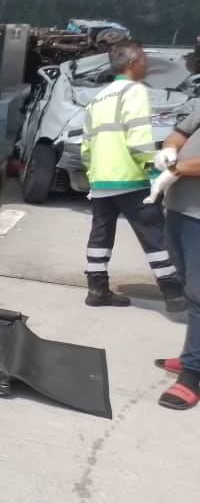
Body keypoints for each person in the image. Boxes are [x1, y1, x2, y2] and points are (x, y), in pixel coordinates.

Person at [80, 39, 185, 312]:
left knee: (100, 235)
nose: (147, 65)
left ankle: (97, 289)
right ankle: (174, 293)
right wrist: (156, 167)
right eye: (145, 60)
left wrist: (93, 176)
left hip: (101, 180)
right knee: (154, 235)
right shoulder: (135, 92)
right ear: (133, 62)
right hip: (129, 178)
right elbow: (138, 140)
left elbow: (86, 147)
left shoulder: (97, 99)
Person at [151, 106, 200, 409]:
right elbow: (181, 132)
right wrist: (169, 149)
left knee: (199, 294)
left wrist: (177, 169)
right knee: (188, 287)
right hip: (180, 210)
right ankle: (193, 354)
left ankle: (193, 374)